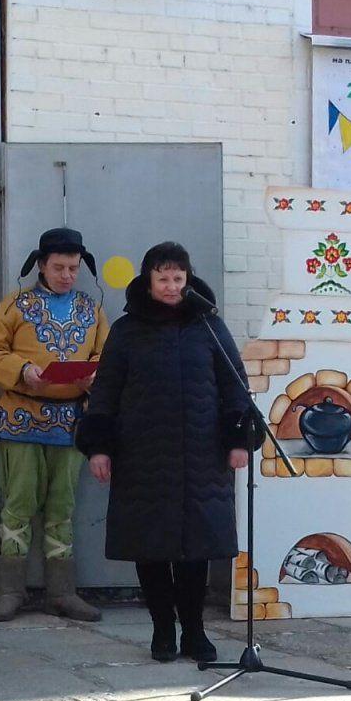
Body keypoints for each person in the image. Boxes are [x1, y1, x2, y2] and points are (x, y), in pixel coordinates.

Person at [75, 242, 257, 663]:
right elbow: (105, 393)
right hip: (144, 457)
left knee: (195, 552)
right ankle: (162, 631)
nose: (172, 286)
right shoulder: (126, 330)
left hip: (201, 457)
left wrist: (238, 439)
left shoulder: (208, 325)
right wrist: (99, 447)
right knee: (152, 548)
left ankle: (195, 632)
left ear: (188, 279)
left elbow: (234, 383)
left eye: (179, 278)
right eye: (163, 278)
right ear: (148, 281)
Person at [0, 228, 108, 622]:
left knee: (62, 506)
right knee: (18, 503)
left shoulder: (91, 309)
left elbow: (107, 355)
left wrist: (94, 377)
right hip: (21, 418)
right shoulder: (15, 305)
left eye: (73, 268)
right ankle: (10, 591)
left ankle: (62, 592)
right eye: (58, 267)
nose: (67, 275)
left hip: (70, 422)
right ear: (41, 265)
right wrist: (23, 369)